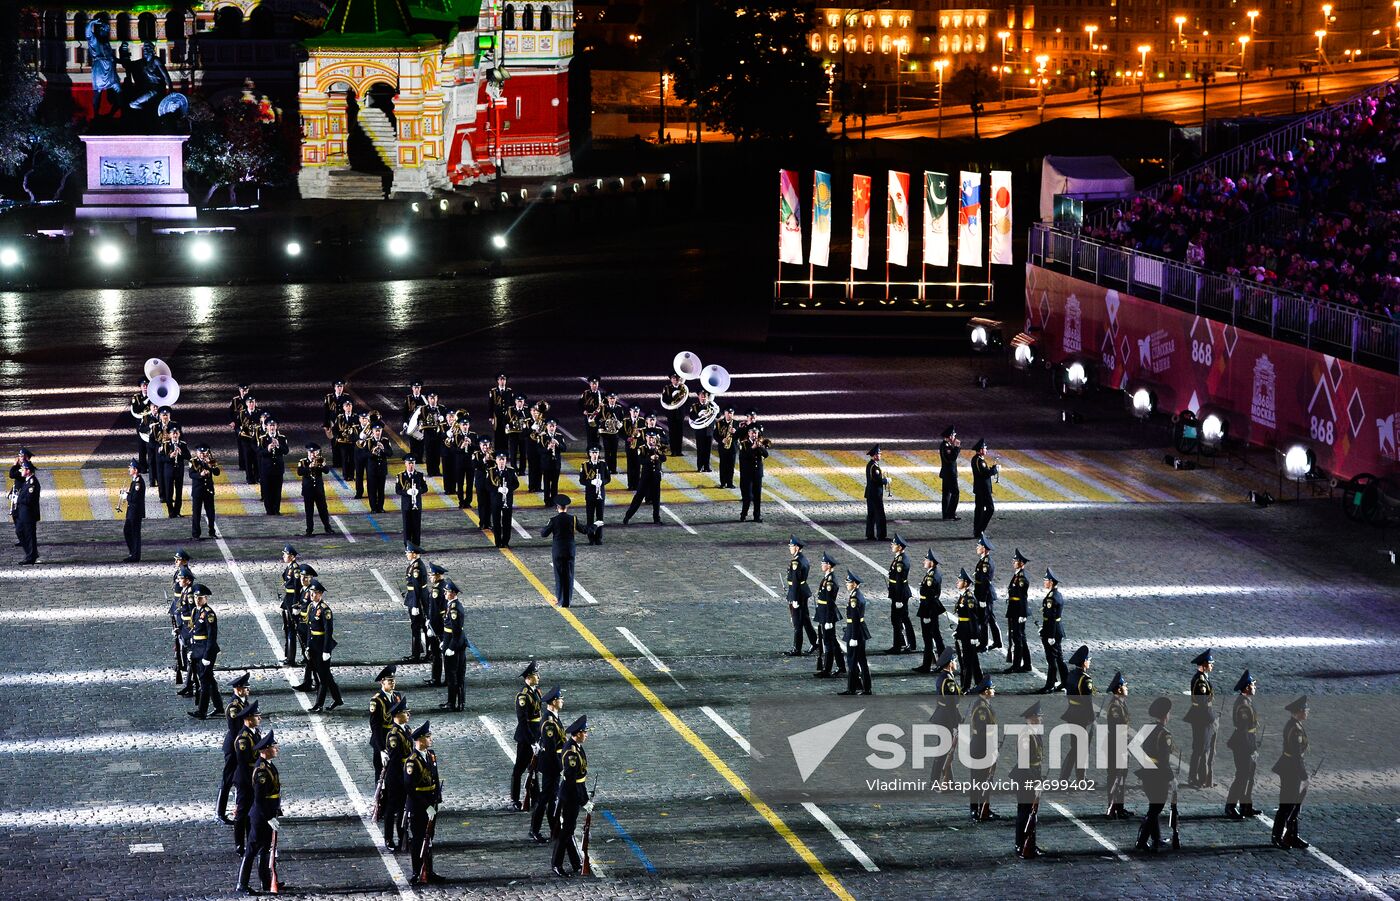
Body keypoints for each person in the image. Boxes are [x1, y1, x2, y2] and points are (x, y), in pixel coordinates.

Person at [236, 730, 282, 895]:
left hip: (268, 813)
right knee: (251, 851)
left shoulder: (268, 765)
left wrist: (276, 810)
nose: (277, 749)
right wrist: (269, 817)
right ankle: (242, 884)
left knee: (265, 849)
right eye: (274, 747)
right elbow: (259, 799)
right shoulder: (262, 771)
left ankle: (266, 882)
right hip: (260, 817)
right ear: (265, 750)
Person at [1135, 697, 1177, 853]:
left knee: (1153, 806)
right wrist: (1172, 778)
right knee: (1156, 808)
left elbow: (1133, 747)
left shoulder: (1146, 728)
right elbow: (1164, 761)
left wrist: (1146, 762)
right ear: (1165, 715)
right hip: (1159, 776)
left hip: (1146, 773)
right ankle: (1142, 841)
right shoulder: (1165, 734)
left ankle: (1156, 839)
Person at [551, 715, 591, 877]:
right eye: (584, 732)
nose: (586, 734)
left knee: (569, 829)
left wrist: (585, 798)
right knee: (566, 831)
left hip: (574, 794)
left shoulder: (577, 747)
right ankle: (557, 864)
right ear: (578, 733)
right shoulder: (572, 753)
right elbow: (572, 781)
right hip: (570, 796)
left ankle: (575, 862)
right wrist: (584, 801)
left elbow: (581, 779)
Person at [405, 720, 444, 884]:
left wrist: (436, 800)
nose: (431, 739)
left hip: (431, 803)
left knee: (429, 839)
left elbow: (435, 777)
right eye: (428, 737)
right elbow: (410, 789)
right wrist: (426, 806)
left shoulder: (431, 755)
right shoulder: (412, 762)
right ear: (420, 740)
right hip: (418, 806)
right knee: (418, 839)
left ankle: (429, 870)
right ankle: (417, 872)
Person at [1271, 695, 1310, 850]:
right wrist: (1304, 776)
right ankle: (1277, 836)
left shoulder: (1295, 725)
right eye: (1305, 709)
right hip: (1291, 770)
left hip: (1291, 767)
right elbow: (1296, 755)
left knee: (1294, 804)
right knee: (1287, 804)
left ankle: (1292, 835)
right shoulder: (1295, 729)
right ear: (1299, 711)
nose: (1307, 711)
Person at [541, 495, 592, 608]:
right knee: (569, 575)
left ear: (557, 507)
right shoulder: (573, 519)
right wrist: (594, 526)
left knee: (559, 576)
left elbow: (543, 534)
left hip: (558, 550)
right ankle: (567, 601)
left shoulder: (553, 520)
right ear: (567, 507)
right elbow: (584, 530)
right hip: (569, 550)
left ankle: (560, 600)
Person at [530, 686, 566, 843]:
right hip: (551, 764)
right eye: (560, 699)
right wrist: (560, 767)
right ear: (553, 702)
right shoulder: (549, 722)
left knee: (552, 798)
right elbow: (551, 748)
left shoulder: (553, 717)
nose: (562, 701)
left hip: (553, 763)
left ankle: (553, 828)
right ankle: (535, 830)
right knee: (545, 797)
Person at [1225, 670, 1262, 820]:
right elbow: (1243, 730)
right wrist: (1252, 749)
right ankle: (1230, 807)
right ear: (1247, 687)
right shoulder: (1243, 706)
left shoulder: (1246, 701)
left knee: (1249, 776)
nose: (1255, 687)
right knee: (1242, 776)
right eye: (1253, 684)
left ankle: (1246, 806)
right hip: (1243, 744)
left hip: (1248, 740)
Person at [217, 674, 253, 824]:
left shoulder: (244, 702)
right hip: (234, 748)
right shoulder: (234, 707)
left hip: (241, 746)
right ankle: (220, 812)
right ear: (238, 689)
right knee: (228, 779)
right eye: (245, 688)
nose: (248, 690)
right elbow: (235, 731)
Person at [1013, 701, 1045, 858]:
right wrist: (1036, 782)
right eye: (1038, 716)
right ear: (1031, 718)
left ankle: (1030, 844)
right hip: (1026, 776)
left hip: (1033, 774)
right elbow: (1025, 763)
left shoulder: (1034, 732)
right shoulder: (1026, 735)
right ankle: (1021, 845)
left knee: (1031, 812)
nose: (1041, 719)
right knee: (1025, 812)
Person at [231, 703, 263, 856]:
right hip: (245, 780)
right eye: (257, 716)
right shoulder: (243, 739)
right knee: (242, 813)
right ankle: (239, 844)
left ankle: (252, 841)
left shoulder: (255, 733)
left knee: (252, 812)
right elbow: (244, 764)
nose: (260, 718)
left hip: (253, 778)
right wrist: (251, 783)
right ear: (249, 719)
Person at [189, 583, 224, 719]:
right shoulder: (195, 611)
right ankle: (219, 707)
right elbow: (194, 632)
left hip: (206, 651)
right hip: (198, 650)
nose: (197, 600)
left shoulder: (209, 614)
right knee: (209, 679)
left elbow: (211, 636)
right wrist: (192, 650)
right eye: (196, 597)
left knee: (204, 681)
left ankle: (202, 711)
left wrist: (207, 656)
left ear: (206, 598)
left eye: (200, 598)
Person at [381, 697, 413, 850]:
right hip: (396, 777)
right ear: (398, 715)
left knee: (403, 809)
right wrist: (405, 776)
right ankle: (388, 839)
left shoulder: (406, 729)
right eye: (406, 712)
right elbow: (395, 760)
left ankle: (402, 836)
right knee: (391, 808)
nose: (408, 715)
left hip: (405, 776)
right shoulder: (393, 735)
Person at [1184, 648, 1218, 788]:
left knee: (1203, 748)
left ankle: (1202, 778)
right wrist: (1210, 716)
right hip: (1201, 717)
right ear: (1204, 664)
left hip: (1203, 716)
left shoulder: (1203, 678)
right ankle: (1193, 778)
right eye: (1210, 663)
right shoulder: (1200, 681)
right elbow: (1203, 702)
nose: (1212, 665)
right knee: (1199, 749)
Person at [307, 580, 343, 712]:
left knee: (322, 678)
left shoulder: (324, 610)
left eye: (315, 593)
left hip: (322, 646)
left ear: (320, 594)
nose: (312, 595)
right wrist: (308, 646)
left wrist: (326, 650)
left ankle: (319, 704)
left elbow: (328, 631)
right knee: (326, 675)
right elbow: (309, 628)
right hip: (314, 645)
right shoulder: (311, 607)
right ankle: (338, 699)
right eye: (311, 592)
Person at [1060, 644, 1094, 780]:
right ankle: (1078, 778)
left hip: (1071, 712)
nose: (1089, 662)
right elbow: (1087, 701)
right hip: (1081, 716)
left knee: (1076, 746)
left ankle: (1069, 777)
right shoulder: (1085, 679)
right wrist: (1092, 717)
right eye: (1088, 660)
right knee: (1080, 748)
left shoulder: (1072, 675)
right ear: (1084, 662)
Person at [512, 660, 543, 810]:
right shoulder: (523, 696)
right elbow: (523, 721)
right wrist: (532, 741)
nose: (539, 677)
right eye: (536, 675)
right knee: (519, 769)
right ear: (528, 677)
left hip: (536, 735)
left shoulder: (536, 691)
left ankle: (535, 797)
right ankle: (515, 799)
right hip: (526, 738)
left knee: (534, 768)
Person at [1105, 671, 1135, 819]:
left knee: (1121, 777)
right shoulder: (1115, 706)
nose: (1126, 688)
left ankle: (1120, 808)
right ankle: (1112, 808)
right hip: (1117, 745)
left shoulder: (1120, 703)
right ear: (1118, 689)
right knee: (1115, 777)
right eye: (1124, 686)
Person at [929, 648, 961, 783]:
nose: (956, 663)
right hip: (945, 719)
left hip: (942, 716)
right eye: (954, 661)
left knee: (946, 751)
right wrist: (954, 724)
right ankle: (935, 780)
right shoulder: (948, 681)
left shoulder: (945, 677)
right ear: (950, 663)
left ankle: (949, 781)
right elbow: (950, 705)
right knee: (944, 751)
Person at [968, 677, 998, 821]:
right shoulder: (982, 708)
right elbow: (982, 731)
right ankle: (976, 810)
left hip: (981, 745)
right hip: (981, 747)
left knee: (984, 779)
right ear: (986, 691)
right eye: (992, 688)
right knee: (979, 780)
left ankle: (983, 809)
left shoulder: (984, 704)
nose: (994, 690)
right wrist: (991, 749)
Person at [911, 549, 946, 672]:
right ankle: (936, 663)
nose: (924, 562)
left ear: (931, 562)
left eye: (926, 560)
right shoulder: (934, 573)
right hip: (931, 608)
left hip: (929, 609)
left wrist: (927, 615)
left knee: (930, 638)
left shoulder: (932, 576)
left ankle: (936, 664)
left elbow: (930, 597)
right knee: (934, 636)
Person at [368, 665, 403, 784]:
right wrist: (381, 749)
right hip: (382, 739)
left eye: (393, 680)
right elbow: (375, 727)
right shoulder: (376, 700)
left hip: (395, 738)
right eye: (390, 681)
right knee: (380, 774)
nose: (393, 683)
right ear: (382, 682)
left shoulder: (397, 696)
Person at [784, 536, 818, 657]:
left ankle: (796, 648)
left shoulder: (796, 562)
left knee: (797, 623)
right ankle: (815, 642)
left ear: (797, 548)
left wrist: (794, 599)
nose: (790, 548)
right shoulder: (803, 559)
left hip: (798, 594)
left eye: (792, 546)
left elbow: (795, 581)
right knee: (805, 619)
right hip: (803, 592)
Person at [813, 552, 845, 678]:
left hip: (827, 615)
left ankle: (827, 669)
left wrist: (828, 620)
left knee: (828, 642)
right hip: (824, 612)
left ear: (829, 565)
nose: (821, 565)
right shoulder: (827, 578)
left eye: (823, 563)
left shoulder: (830, 581)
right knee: (832, 641)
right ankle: (841, 666)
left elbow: (830, 602)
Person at [840, 571, 872, 695]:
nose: (847, 584)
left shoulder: (854, 598)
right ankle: (866, 688)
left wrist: (853, 637)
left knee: (852, 660)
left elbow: (855, 618)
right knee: (862, 660)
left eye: (848, 583)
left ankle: (852, 688)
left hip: (855, 632)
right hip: (859, 631)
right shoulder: (857, 595)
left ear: (854, 584)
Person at [622, 433, 665, 525]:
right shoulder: (642, 448)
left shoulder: (658, 447)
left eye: (653, 438)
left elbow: (664, 458)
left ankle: (656, 518)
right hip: (646, 477)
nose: (651, 440)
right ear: (646, 438)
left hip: (656, 476)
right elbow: (641, 461)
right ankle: (628, 516)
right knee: (638, 497)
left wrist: (659, 454)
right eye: (649, 438)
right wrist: (650, 458)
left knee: (656, 498)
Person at [1037, 568, 1068, 693]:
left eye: (1045, 580)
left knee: (1051, 659)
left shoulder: (1052, 598)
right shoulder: (1056, 594)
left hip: (1053, 632)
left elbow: (1052, 618)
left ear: (1051, 582)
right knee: (1059, 658)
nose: (1044, 582)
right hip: (1056, 630)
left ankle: (1050, 685)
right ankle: (1065, 682)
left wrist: (1050, 635)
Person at [439, 580, 468, 711]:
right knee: (458, 675)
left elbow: (456, 630)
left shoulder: (454, 608)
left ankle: (452, 703)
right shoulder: (452, 605)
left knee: (453, 675)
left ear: (453, 593)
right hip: (453, 641)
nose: (445, 593)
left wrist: (451, 647)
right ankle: (460, 703)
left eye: (447, 592)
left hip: (454, 643)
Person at [884, 534, 915, 654]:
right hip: (898, 593)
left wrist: (898, 599)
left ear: (900, 547)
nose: (892, 546)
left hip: (900, 595)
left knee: (899, 620)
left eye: (894, 544)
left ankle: (900, 646)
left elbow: (899, 582)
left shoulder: (901, 562)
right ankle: (905, 643)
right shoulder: (899, 558)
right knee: (900, 619)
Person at [953, 568, 983, 691]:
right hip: (964, 631)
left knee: (967, 660)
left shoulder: (969, 599)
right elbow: (962, 619)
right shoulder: (963, 596)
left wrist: (974, 637)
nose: (957, 582)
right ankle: (980, 682)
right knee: (973, 659)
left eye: (959, 580)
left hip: (969, 634)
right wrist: (958, 631)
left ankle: (966, 686)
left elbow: (973, 619)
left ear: (965, 583)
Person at [973, 535, 1003, 652]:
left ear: (984, 548)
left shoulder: (986, 564)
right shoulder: (983, 560)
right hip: (983, 593)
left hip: (985, 595)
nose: (977, 547)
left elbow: (985, 583)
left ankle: (983, 644)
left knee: (984, 619)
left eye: (979, 546)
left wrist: (982, 600)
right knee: (990, 618)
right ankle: (997, 641)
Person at [1005, 548, 1032, 673]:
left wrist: (1022, 614)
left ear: (1021, 563)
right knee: (1021, 637)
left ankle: (1016, 665)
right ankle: (1027, 664)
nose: (1013, 562)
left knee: (1017, 638)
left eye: (1015, 561)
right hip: (1014, 608)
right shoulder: (1018, 575)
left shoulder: (1022, 578)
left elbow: (1022, 597)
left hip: (1018, 610)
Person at [298, 444, 333, 537]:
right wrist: (309, 467)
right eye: (311, 452)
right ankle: (309, 530)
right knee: (309, 511)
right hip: (308, 490)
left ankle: (327, 527)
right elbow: (299, 472)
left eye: (314, 452)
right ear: (308, 452)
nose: (312, 454)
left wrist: (322, 465)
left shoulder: (320, 460)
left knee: (323, 510)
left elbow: (327, 471)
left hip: (318, 490)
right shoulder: (303, 461)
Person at [257, 419, 290, 515]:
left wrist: (278, 445)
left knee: (277, 490)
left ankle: (276, 509)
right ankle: (269, 510)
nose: (272, 427)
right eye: (270, 425)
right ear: (266, 427)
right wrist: (267, 449)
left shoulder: (282, 438)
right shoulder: (262, 438)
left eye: (274, 425)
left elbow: (286, 451)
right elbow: (259, 452)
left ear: (276, 426)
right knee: (267, 490)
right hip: (266, 469)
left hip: (278, 468)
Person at [396, 456, 429, 549]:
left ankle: (416, 545)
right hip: (406, 504)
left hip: (417, 504)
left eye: (412, 463)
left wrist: (418, 491)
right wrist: (407, 492)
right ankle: (407, 546)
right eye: (409, 463)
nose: (411, 465)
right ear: (405, 464)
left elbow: (425, 488)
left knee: (416, 526)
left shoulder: (419, 475)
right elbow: (397, 490)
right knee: (407, 526)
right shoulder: (400, 476)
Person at [579, 447, 610, 545]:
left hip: (600, 494)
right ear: (589, 454)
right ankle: (591, 538)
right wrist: (591, 482)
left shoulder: (603, 464)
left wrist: (602, 482)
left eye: (596, 453)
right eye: (593, 453)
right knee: (590, 517)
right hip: (590, 494)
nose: (595, 455)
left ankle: (598, 537)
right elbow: (582, 480)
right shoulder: (585, 465)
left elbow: (608, 478)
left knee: (600, 516)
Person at [489, 452, 521, 547]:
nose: (502, 462)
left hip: (507, 499)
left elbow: (516, 484)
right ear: (496, 460)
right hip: (496, 500)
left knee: (507, 522)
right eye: (500, 459)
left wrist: (508, 489)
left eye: (503, 459)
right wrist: (497, 489)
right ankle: (498, 542)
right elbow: (487, 485)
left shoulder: (511, 471)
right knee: (496, 521)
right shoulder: (491, 471)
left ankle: (506, 541)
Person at [403, 544, 428, 662]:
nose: (406, 554)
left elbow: (417, 587)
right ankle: (426, 652)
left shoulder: (416, 567)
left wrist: (416, 605)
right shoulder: (414, 565)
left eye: (408, 552)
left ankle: (416, 654)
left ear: (413, 553)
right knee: (420, 626)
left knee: (417, 626)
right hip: (414, 596)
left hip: (417, 599)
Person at [738, 427, 768, 522]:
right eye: (752, 433)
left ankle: (757, 516)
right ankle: (743, 515)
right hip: (747, 474)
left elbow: (766, 455)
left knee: (757, 496)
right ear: (749, 434)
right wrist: (752, 448)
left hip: (757, 474)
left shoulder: (760, 443)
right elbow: (743, 457)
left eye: (756, 433)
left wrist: (760, 447)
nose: (754, 435)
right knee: (748, 497)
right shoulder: (743, 444)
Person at [423, 564, 447, 687]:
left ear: (437, 576)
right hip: (440, 626)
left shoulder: (437, 590)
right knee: (439, 654)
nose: (430, 577)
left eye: (431, 575)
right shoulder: (443, 586)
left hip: (437, 627)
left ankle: (436, 679)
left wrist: (431, 625)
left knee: (437, 653)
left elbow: (435, 611)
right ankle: (441, 678)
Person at [188, 445, 219, 539]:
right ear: (197, 453)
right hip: (198, 490)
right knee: (196, 513)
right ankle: (196, 534)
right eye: (200, 453)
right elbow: (191, 474)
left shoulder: (211, 460)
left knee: (211, 513)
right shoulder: (193, 461)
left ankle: (212, 532)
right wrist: (200, 474)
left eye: (204, 453)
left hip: (208, 490)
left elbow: (217, 473)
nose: (202, 455)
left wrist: (210, 465)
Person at [970, 439, 999, 538]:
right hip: (983, 490)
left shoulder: (978, 459)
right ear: (981, 449)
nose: (986, 450)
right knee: (990, 509)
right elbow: (983, 474)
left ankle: (977, 531)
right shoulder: (978, 460)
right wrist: (994, 471)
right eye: (985, 448)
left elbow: (984, 472)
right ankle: (980, 530)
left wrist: (991, 469)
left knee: (980, 510)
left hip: (981, 489)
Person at [277, 545, 301, 665]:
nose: (283, 556)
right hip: (288, 599)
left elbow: (297, 587)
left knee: (292, 629)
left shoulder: (295, 569)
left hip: (292, 600)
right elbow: (285, 579)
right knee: (288, 629)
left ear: (292, 557)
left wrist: (296, 604)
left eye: (285, 554)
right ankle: (288, 656)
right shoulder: (290, 567)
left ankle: (291, 658)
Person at [13, 460, 39, 564]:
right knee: (19, 531)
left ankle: (31, 556)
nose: (21, 471)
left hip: (29, 514)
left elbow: (29, 499)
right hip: (22, 513)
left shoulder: (32, 483)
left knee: (29, 535)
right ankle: (31, 553)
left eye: (23, 469)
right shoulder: (26, 481)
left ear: (28, 471)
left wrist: (17, 499)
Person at [365, 423, 393, 514]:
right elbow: (363, 455)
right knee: (372, 490)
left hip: (382, 469)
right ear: (372, 431)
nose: (377, 432)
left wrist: (383, 449)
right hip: (372, 469)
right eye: (376, 431)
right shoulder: (368, 441)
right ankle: (373, 508)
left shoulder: (385, 441)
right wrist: (372, 453)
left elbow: (390, 453)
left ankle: (380, 507)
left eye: (379, 431)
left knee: (381, 490)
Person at [121, 458, 145, 562]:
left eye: (131, 468)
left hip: (135, 512)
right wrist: (127, 493)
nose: (129, 469)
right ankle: (132, 553)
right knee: (127, 531)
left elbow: (135, 498)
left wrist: (126, 496)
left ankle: (135, 555)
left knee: (134, 533)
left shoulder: (138, 482)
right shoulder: (134, 481)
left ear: (135, 470)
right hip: (132, 511)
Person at [161, 424, 188, 517]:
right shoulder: (165, 444)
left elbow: (188, 456)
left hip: (179, 470)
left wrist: (181, 453)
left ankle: (177, 511)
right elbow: (161, 458)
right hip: (169, 471)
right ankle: (171, 512)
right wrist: (170, 456)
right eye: (173, 433)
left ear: (179, 434)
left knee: (179, 492)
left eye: (177, 433)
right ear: (170, 435)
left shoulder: (183, 444)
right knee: (169, 492)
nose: (175, 435)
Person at [537, 419, 567, 505]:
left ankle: (554, 500)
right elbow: (539, 451)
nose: (551, 428)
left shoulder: (559, 436)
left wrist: (558, 444)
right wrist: (548, 448)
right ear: (546, 426)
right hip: (546, 463)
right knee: (546, 483)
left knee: (555, 483)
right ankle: (547, 500)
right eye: (550, 426)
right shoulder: (542, 437)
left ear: (556, 427)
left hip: (556, 463)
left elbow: (564, 449)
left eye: (553, 426)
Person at [419, 390, 445, 478]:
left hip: (438, 435)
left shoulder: (441, 408)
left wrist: (443, 418)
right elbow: (420, 419)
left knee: (437, 453)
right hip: (428, 434)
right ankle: (430, 471)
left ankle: (436, 471)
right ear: (428, 399)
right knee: (429, 453)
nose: (433, 400)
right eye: (431, 398)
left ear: (437, 399)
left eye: (434, 398)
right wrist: (422, 423)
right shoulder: (424, 409)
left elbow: (447, 421)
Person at [863, 445, 887, 540]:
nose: (880, 455)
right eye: (879, 454)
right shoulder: (873, 466)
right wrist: (885, 480)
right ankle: (881, 535)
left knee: (871, 515)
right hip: (875, 494)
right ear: (875, 455)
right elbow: (876, 480)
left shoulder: (871, 465)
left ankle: (870, 534)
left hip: (871, 494)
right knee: (880, 515)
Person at [236, 395, 261, 485]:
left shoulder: (260, 412)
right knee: (248, 460)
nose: (251, 404)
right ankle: (249, 478)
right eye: (249, 402)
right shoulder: (242, 413)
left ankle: (258, 477)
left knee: (257, 459)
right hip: (246, 440)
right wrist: (240, 432)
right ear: (246, 404)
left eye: (253, 402)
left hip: (256, 440)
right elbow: (237, 426)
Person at [689, 388, 715, 472]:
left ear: (707, 397)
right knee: (700, 449)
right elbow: (692, 416)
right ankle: (700, 466)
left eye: (705, 396)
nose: (703, 397)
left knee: (708, 450)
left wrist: (715, 409)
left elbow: (718, 416)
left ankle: (707, 467)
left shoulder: (711, 405)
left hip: (709, 431)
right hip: (699, 430)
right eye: (702, 396)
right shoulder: (695, 406)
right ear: (699, 397)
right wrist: (699, 415)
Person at [661, 373, 686, 457]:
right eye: (674, 378)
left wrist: (683, 400)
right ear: (671, 380)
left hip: (680, 413)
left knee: (679, 432)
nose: (676, 380)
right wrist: (675, 399)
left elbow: (687, 400)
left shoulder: (683, 388)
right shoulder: (667, 388)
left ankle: (679, 451)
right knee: (672, 433)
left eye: (677, 378)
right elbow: (664, 399)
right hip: (671, 413)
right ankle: (673, 451)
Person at [130, 379, 153, 475]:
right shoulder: (136, 397)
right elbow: (136, 409)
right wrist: (146, 400)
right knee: (141, 446)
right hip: (140, 423)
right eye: (143, 385)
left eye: (147, 385)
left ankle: (152, 467)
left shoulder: (153, 395)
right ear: (140, 387)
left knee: (150, 445)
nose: (145, 387)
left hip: (150, 422)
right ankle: (143, 467)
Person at [939, 426, 961, 520]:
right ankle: (951, 513)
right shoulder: (946, 446)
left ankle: (946, 514)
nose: (954, 437)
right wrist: (957, 447)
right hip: (950, 474)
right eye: (953, 435)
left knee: (947, 494)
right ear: (950, 436)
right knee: (955, 493)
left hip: (946, 473)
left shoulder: (946, 445)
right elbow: (951, 458)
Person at [402, 380, 427, 462]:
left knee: (421, 441)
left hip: (420, 424)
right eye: (415, 387)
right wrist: (405, 422)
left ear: (420, 388)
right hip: (412, 424)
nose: (416, 389)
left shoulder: (424, 398)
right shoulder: (408, 398)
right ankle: (413, 459)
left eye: (418, 387)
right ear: (412, 388)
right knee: (413, 442)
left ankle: (420, 459)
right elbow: (405, 411)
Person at [713, 407, 737, 489]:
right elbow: (715, 435)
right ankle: (723, 483)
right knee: (723, 466)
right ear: (725, 413)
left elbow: (740, 436)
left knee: (731, 466)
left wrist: (736, 432)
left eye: (731, 413)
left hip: (732, 448)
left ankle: (730, 483)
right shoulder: (719, 423)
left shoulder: (736, 423)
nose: (729, 415)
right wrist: (721, 440)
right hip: (722, 448)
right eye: (728, 413)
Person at [489, 373, 514, 451]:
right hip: (497, 417)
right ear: (498, 381)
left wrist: (512, 417)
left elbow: (512, 404)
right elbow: (490, 404)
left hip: (506, 417)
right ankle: (497, 451)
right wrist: (491, 417)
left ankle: (505, 452)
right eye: (501, 379)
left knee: (506, 433)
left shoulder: (509, 391)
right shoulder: (493, 391)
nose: (502, 381)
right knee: (497, 434)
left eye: (504, 380)